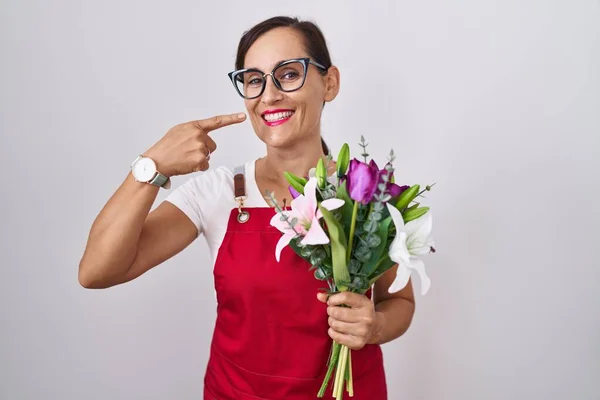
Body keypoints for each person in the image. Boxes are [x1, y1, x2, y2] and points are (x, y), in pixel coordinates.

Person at [78, 15, 416, 400]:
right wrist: (151, 166)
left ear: (330, 83)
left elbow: (399, 302)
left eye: (289, 74)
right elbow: (96, 271)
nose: (269, 95)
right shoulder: (218, 193)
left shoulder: (368, 192)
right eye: (255, 80)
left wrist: (373, 327)